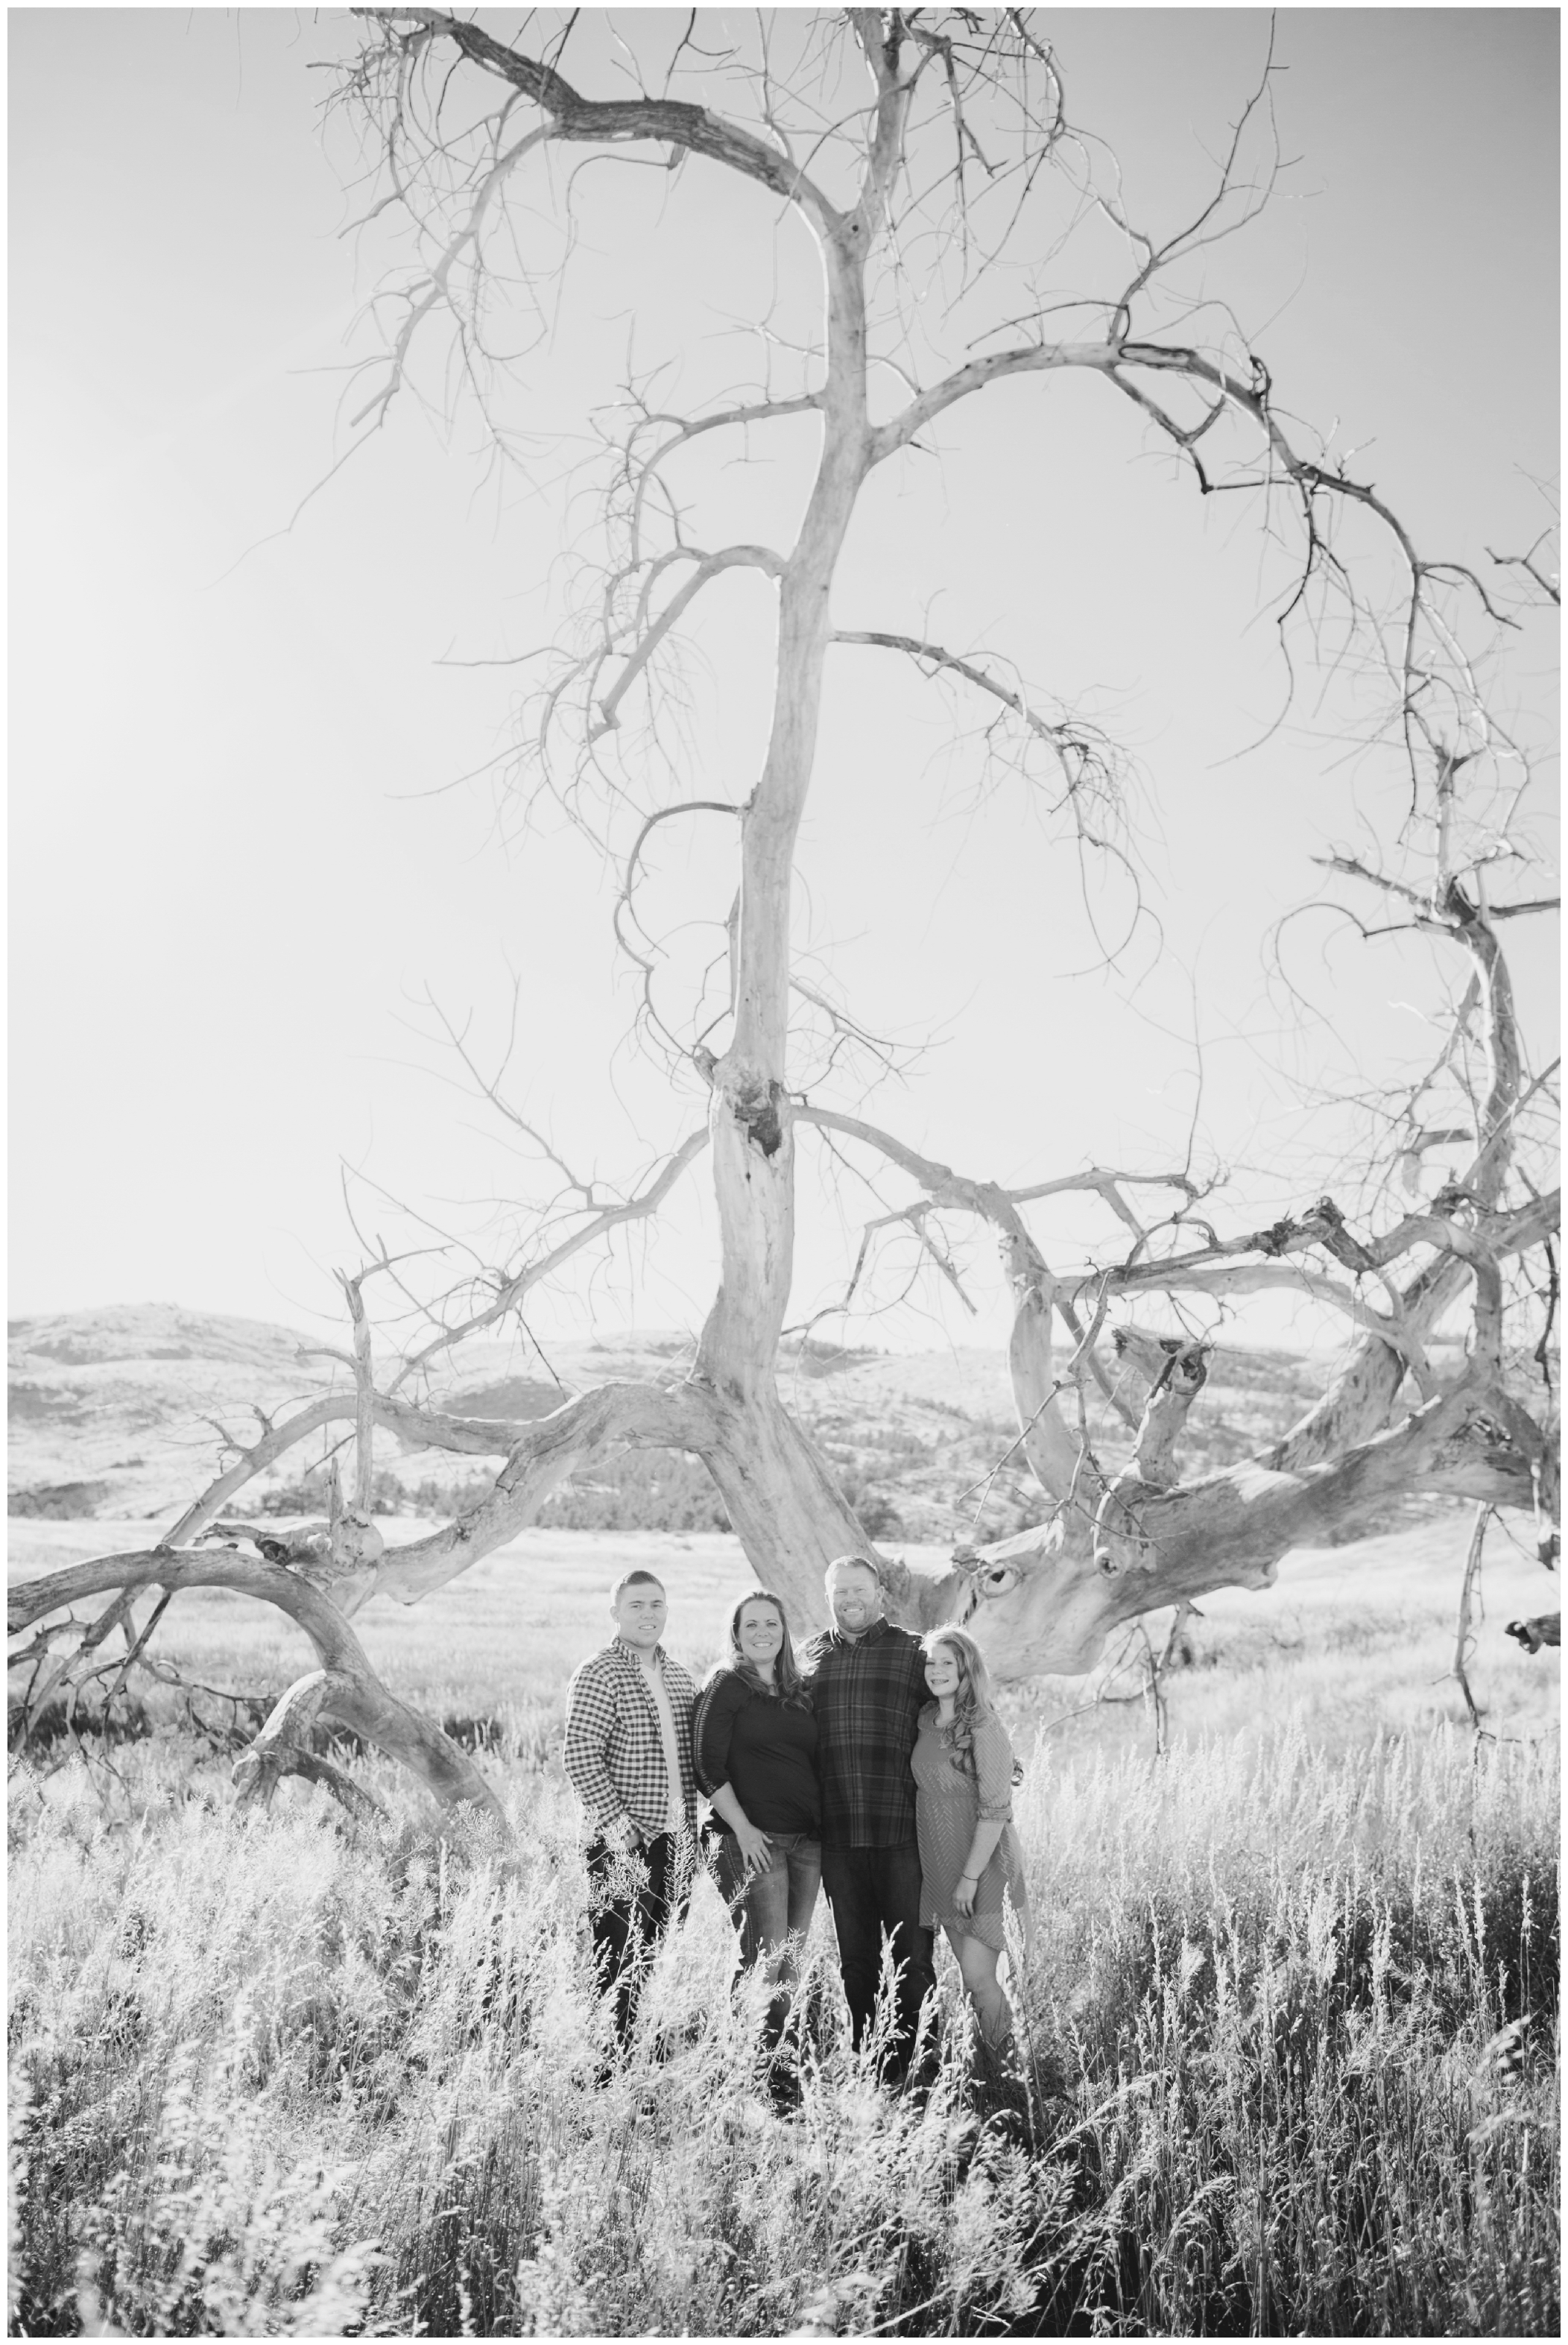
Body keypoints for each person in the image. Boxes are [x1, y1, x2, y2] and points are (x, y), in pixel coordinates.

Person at [802, 1555, 936, 2081]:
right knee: (857, 1961)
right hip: (838, 1836)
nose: (850, 1600)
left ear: (881, 1592)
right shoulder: (810, 1658)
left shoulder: (913, 1652)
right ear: (829, 1596)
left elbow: (957, 1707)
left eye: (860, 1590)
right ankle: (870, 2066)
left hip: (902, 1832)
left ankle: (920, 2065)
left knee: (913, 1958)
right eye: (840, 1592)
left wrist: (992, 1757)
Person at [563, 1568, 698, 2051]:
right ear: (616, 1612)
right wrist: (622, 1832)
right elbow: (579, 1754)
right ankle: (607, 2069)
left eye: (656, 1605)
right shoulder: (600, 1671)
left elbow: (692, 1764)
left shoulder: (680, 1679)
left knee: (657, 1957)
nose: (648, 1614)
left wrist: (694, 1840)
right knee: (616, 1960)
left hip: (675, 1844)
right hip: (621, 1843)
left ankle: (643, 2059)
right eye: (637, 1605)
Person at [694, 1589, 822, 2068]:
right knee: (762, 1960)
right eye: (751, 1625)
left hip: (807, 1842)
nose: (763, 1633)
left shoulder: (799, 1689)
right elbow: (706, 1767)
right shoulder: (727, 1685)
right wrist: (744, 1830)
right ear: (736, 1634)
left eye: (771, 1623)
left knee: (789, 1962)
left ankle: (772, 2067)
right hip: (748, 1842)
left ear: (785, 1631)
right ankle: (740, 2066)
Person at [912, 1625, 1031, 2054]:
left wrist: (970, 1876)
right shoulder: (926, 1718)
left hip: (980, 1864)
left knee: (983, 1981)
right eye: (931, 1662)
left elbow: (996, 1810)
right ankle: (984, 2064)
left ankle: (1006, 2073)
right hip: (941, 1862)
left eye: (949, 1663)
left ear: (967, 1671)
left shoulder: (984, 1725)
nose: (938, 1670)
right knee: (969, 1977)